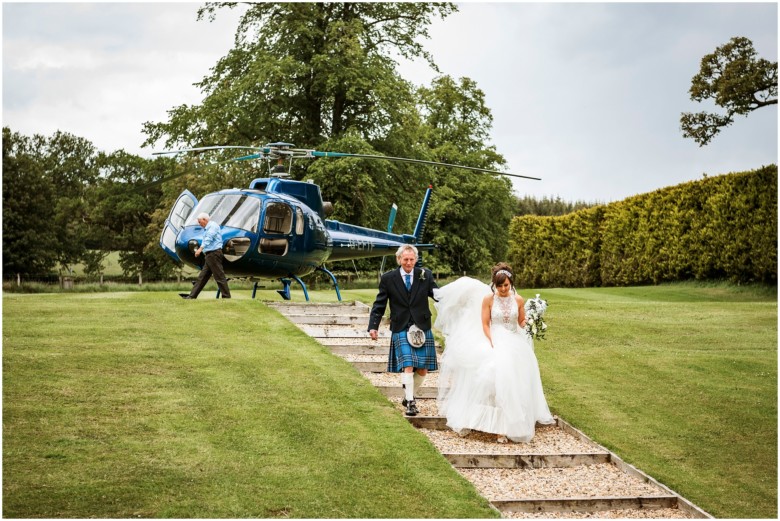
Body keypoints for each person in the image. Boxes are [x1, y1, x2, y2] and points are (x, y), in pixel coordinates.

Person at [434, 262, 554, 443]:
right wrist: (492, 342)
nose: (503, 289)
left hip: (514, 342)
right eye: (500, 286)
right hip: (495, 338)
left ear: (511, 283)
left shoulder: (518, 300)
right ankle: (487, 422)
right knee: (490, 379)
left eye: (506, 285)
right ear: (494, 285)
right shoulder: (488, 300)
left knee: (512, 382)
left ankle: (506, 426)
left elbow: (520, 321)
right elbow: (485, 323)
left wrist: (530, 322)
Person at [368, 245, 440, 416]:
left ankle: (409, 393)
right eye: (405, 259)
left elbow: (438, 295)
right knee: (408, 365)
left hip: (422, 326)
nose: (408, 263)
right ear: (399, 259)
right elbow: (380, 304)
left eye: (411, 259)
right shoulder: (388, 278)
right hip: (401, 325)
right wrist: (373, 326)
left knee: (423, 369)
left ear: (416, 259)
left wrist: (455, 300)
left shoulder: (425, 275)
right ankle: (411, 403)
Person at [179, 213, 231, 299]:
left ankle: (226, 297)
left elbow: (208, 239)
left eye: (200, 222)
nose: (200, 224)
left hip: (214, 254)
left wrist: (200, 249)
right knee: (202, 277)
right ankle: (192, 296)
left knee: (219, 276)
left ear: (204, 219)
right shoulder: (208, 228)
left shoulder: (212, 226)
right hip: (210, 255)